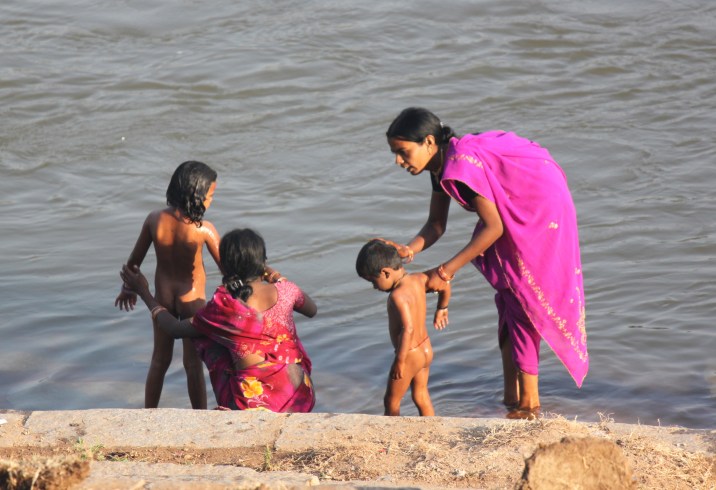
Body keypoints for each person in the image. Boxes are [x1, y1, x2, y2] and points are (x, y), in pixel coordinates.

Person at [383, 107, 588, 420]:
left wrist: (445, 271)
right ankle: (510, 398)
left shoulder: (458, 167)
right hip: (517, 207)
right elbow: (436, 224)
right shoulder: (440, 166)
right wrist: (408, 251)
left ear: (429, 142)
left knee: (522, 301)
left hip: (538, 208)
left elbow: (494, 228)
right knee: (507, 300)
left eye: (403, 152)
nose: (399, 161)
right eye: (395, 154)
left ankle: (528, 405)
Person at [120, 228, 316, 413]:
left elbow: (174, 329)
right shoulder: (287, 290)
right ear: (263, 262)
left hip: (256, 404)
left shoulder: (225, 307)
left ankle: (229, 404)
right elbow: (311, 310)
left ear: (227, 268)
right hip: (300, 394)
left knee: (211, 337)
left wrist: (145, 293)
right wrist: (274, 275)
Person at [114, 160, 221, 409]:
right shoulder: (204, 230)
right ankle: (200, 415)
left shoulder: (154, 219)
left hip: (162, 296)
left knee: (159, 360)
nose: (211, 201)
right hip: (192, 300)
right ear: (196, 194)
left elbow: (134, 262)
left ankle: (149, 413)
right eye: (210, 196)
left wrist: (128, 288)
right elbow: (229, 268)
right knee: (192, 365)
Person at [356, 239, 451, 416]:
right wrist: (442, 307)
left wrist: (400, 361)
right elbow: (444, 282)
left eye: (373, 282)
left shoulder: (397, 296)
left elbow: (408, 329)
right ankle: (433, 429)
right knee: (421, 395)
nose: (375, 287)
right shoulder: (419, 279)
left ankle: (392, 433)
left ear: (385, 273)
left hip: (410, 354)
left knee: (391, 401)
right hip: (426, 348)